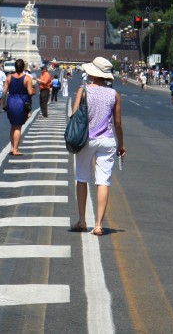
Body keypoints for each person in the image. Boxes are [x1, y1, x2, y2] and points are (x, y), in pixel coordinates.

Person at [70, 57, 124, 236]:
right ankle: (99, 225)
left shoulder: (84, 90)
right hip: (107, 140)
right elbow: (118, 124)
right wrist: (121, 145)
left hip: (86, 139)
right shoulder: (114, 94)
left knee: (82, 178)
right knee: (103, 181)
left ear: (92, 73)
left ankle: (82, 220)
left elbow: (74, 116)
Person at [2, 59, 35, 156]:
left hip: (11, 101)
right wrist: (34, 91)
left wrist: (3, 104)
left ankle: (12, 147)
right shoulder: (27, 78)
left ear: (15, 67)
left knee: (13, 125)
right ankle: (16, 149)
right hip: (21, 102)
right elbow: (30, 92)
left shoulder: (9, 77)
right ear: (23, 67)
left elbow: (4, 92)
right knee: (18, 127)